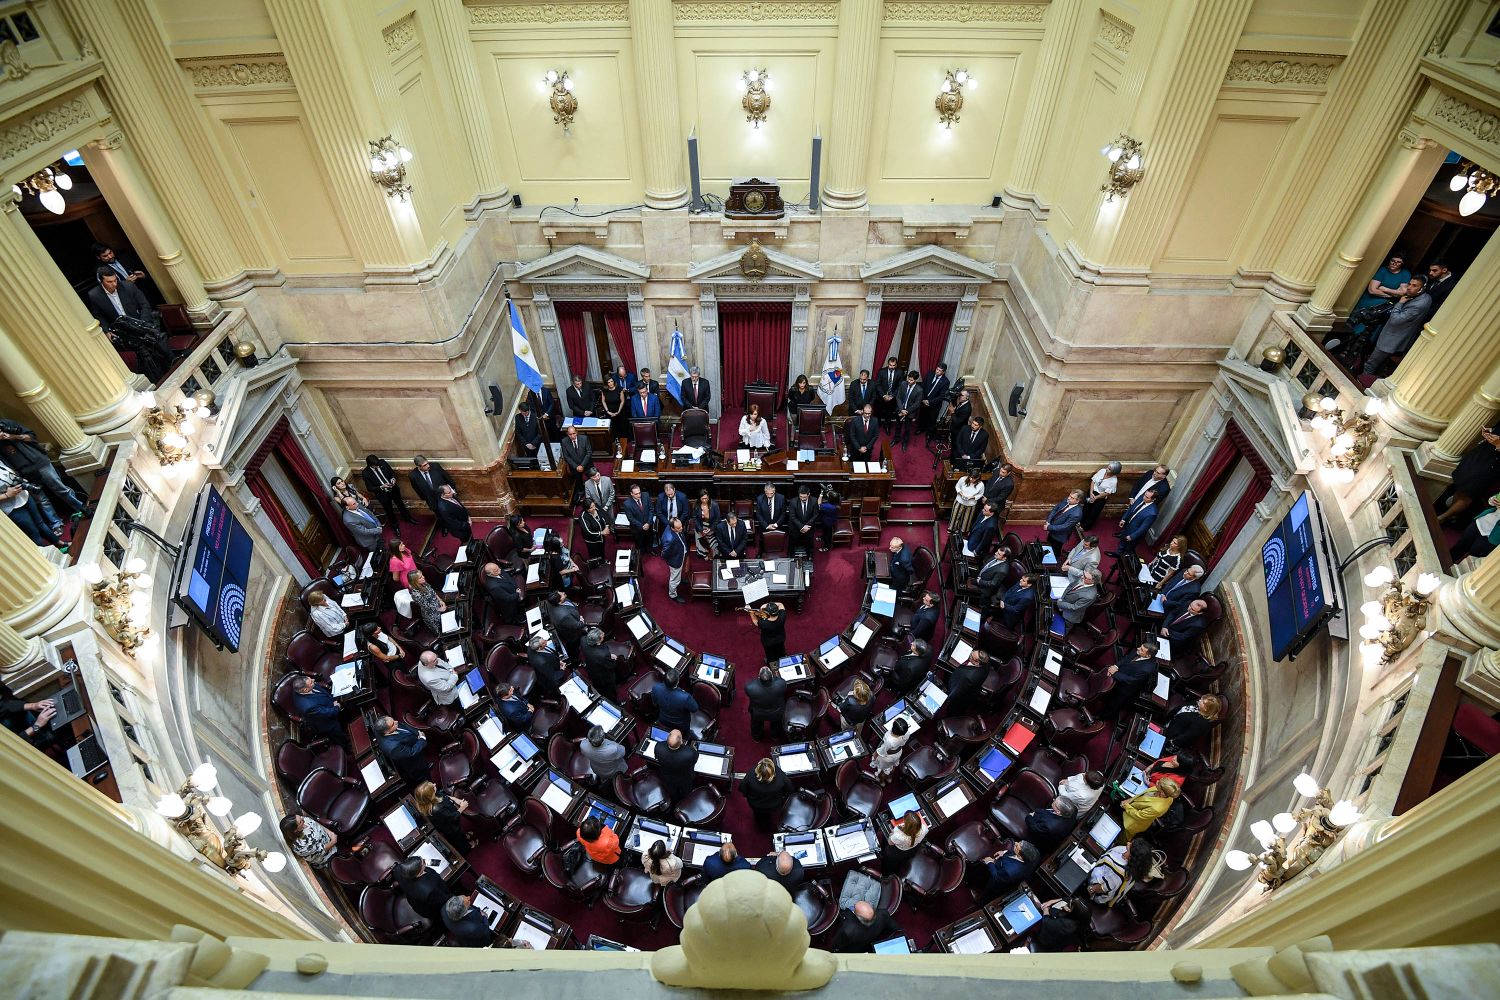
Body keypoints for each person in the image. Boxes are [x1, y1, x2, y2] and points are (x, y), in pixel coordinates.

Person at [87, 270, 172, 380]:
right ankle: (152, 377)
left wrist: (143, 323)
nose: (114, 284)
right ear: (101, 281)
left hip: (140, 322)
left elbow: (144, 305)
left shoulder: (128, 286)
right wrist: (107, 331)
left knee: (157, 339)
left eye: (115, 280)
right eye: (109, 282)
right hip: (122, 330)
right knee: (140, 354)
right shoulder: (94, 295)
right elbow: (99, 315)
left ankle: (172, 363)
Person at [0, 421, 84, 521]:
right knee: (42, 500)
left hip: (40, 463)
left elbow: (31, 437)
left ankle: (81, 508)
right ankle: (56, 523)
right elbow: (5, 464)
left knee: (62, 489)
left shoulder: (7, 424)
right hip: (24, 473)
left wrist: (14, 437)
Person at [1363, 274, 1430, 378]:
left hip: (1391, 339)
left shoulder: (1419, 304)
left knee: (1371, 364)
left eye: (1414, 286)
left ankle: (1362, 383)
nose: (1409, 287)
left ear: (1422, 289)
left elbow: (1395, 320)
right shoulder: (1426, 297)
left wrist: (1400, 303)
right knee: (1381, 364)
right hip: (1396, 336)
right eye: (1409, 284)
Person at [1436, 425, 1500, 527]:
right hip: (1483, 453)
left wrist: (1499, 445)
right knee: (1462, 484)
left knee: (1469, 492)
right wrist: (1491, 431)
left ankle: (1442, 518)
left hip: (1494, 464)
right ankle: (1452, 514)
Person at [1346, 252, 1411, 342]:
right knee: (1356, 325)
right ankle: (1348, 343)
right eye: (1393, 260)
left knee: (1370, 331)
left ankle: (1359, 348)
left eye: (1398, 262)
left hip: (1384, 306)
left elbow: (1402, 293)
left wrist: (1385, 289)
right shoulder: (1383, 270)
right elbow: (1372, 290)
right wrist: (1393, 294)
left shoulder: (1405, 274)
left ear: (1402, 264)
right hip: (1369, 301)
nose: (1394, 263)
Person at [1088, 836, 1155, 908]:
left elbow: (1096, 889)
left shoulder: (1118, 875)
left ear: (1131, 857)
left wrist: (1090, 888)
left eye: (1130, 846)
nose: (1128, 843)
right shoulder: (1135, 867)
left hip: (1097, 897)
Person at [1098, 641, 1160, 718]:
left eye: (1141, 650)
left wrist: (1114, 673)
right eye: (1140, 647)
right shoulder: (1140, 651)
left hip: (1126, 687)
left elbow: (1131, 680)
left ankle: (1103, 717)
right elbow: (1127, 658)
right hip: (1121, 673)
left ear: (1148, 655)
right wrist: (1116, 666)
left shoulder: (1146, 669)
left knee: (1113, 704)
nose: (1138, 648)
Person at [290, 674, 345, 747]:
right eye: (311, 682)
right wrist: (337, 707)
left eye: (311, 679)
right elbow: (327, 713)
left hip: (328, 703)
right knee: (338, 734)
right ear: (305, 690)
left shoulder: (301, 688)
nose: (313, 680)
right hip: (326, 722)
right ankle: (345, 745)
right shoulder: (309, 707)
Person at [361, 455, 416, 527]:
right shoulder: (366, 473)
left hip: (393, 489)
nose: (378, 466)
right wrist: (381, 487)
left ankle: (407, 518)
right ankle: (395, 525)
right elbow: (370, 488)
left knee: (400, 504)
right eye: (376, 466)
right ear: (370, 465)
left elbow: (392, 473)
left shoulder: (382, 463)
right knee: (389, 510)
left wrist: (393, 478)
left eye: (378, 465)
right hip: (382, 494)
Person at [413, 780, 469, 849]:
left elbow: (443, 796)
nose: (435, 784)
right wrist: (462, 807)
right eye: (433, 787)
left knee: (460, 834)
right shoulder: (437, 809)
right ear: (430, 795)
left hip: (448, 818)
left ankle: (464, 837)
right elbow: (453, 818)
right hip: (450, 827)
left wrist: (454, 799)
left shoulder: (429, 798)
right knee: (458, 838)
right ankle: (468, 846)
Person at [740, 757, 792, 830]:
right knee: (769, 815)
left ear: (758, 769)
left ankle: (758, 821)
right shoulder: (780, 775)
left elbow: (742, 787)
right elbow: (789, 788)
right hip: (774, 805)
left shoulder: (751, 774)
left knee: (758, 815)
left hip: (756, 805)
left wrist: (746, 795)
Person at [375, 715, 428, 785]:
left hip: (410, 742)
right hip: (414, 762)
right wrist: (422, 739)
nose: (396, 721)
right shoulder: (393, 748)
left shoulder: (381, 728)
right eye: (393, 723)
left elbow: (404, 727)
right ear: (387, 732)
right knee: (423, 775)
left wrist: (417, 733)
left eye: (393, 720)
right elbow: (411, 752)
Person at [1123, 777, 1181, 841]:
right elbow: (1141, 795)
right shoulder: (1165, 793)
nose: (1157, 781)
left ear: (1163, 793)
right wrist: (1130, 800)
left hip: (1131, 822)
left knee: (1122, 837)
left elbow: (1139, 815)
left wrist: (1126, 806)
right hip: (1131, 806)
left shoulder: (1157, 808)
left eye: (1159, 783)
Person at [828, 901, 899, 954]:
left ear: (858, 917)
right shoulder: (883, 914)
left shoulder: (847, 930)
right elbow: (896, 929)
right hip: (870, 942)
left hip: (853, 951)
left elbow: (835, 945)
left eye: (854, 908)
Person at [394, 856, 449, 923]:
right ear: (419, 873)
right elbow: (445, 898)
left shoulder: (398, 870)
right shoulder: (429, 890)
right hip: (427, 908)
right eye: (423, 862)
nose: (425, 861)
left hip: (413, 899)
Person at [1452, 492, 1500, 561]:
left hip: (1493, 536)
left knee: (1474, 558)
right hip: (1481, 521)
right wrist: (1493, 500)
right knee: (1460, 546)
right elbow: (1492, 500)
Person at [745, 665, 788, 741]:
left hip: (758, 713)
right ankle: (775, 736)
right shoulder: (781, 684)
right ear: (772, 677)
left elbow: (752, 686)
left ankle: (757, 737)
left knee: (756, 725)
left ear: (759, 678)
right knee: (776, 724)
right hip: (776, 712)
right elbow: (780, 680)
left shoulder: (750, 687)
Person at [656, 728, 699, 802]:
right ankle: (684, 803)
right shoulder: (690, 753)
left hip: (667, 777)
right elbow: (694, 760)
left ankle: (675, 801)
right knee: (686, 794)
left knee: (672, 793)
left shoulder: (658, 746)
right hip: (685, 779)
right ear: (681, 741)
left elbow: (656, 757)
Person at [882, 809, 928, 876]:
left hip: (896, 853)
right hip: (911, 850)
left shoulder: (898, 835)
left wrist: (891, 834)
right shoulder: (924, 829)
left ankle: (887, 875)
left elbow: (890, 842)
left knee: (889, 864)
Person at [580, 628, 625, 695]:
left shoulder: (583, 640)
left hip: (591, 669)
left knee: (598, 687)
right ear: (598, 642)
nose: (603, 633)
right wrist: (612, 658)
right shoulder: (603, 654)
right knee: (609, 690)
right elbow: (611, 665)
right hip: (603, 676)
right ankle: (614, 701)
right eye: (602, 636)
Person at [945, 649, 989, 716]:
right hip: (973, 690)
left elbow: (956, 692)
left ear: (977, 663)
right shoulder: (987, 663)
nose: (969, 656)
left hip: (961, 699)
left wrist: (949, 698)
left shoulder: (967, 677)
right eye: (971, 653)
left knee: (953, 711)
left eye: (971, 657)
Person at [545, 590, 586, 662]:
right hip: (572, 635)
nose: (563, 592)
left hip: (570, 618)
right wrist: (581, 622)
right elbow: (576, 626)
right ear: (559, 600)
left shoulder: (552, 601)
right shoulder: (564, 616)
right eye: (562, 594)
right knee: (574, 648)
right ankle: (576, 661)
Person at [1081, 461, 1121, 529]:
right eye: (1108, 467)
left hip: (1101, 498)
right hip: (1092, 492)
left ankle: (1085, 527)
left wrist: (1096, 497)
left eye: (1109, 469)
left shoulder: (1114, 481)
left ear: (1114, 471)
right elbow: (1093, 481)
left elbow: (1108, 493)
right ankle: (1080, 522)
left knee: (1093, 513)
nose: (1107, 469)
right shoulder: (1102, 471)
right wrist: (1091, 493)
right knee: (1086, 508)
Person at [526, 633, 565, 701]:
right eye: (544, 642)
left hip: (547, 667)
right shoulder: (542, 662)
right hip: (549, 678)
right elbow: (553, 676)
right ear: (539, 648)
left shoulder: (530, 647)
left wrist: (557, 661)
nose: (546, 641)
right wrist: (562, 670)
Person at [871, 716, 911, 784]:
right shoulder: (907, 733)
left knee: (883, 770)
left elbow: (882, 751)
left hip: (887, 757)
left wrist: (875, 754)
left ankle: (881, 781)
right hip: (897, 752)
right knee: (892, 766)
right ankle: (889, 777)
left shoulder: (890, 740)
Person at [481, 562, 522, 626]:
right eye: (496, 570)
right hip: (509, 606)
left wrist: (516, 587)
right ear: (490, 573)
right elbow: (507, 599)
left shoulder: (497, 570)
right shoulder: (494, 587)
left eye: (498, 567)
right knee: (513, 620)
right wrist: (517, 593)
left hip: (512, 590)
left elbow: (508, 578)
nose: (500, 569)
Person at [407, 571, 446, 635]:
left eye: (422, 575)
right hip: (432, 615)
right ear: (415, 581)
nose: (423, 577)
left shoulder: (423, 583)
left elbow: (433, 592)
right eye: (420, 577)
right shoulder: (416, 594)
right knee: (442, 630)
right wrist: (440, 609)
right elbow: (427, 606)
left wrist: (440, 600)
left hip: (438, 605)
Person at [918, 362, 950, 436]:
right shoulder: (930, 374)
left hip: (934, 404)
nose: (937, 371)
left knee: (932, 419)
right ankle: (920, 429)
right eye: (937, 369)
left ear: (943, 372)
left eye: (939, 370)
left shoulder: (946, 382)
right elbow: (922, 387)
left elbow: (941, 396)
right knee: (922, 416)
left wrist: (929, 402)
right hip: (924, 400)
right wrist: (923, 399)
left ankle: (929, 433)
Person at [892, 370, 922, 447]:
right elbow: (898, 397)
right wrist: (901, 409)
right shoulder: (903, 384)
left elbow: (917, 404)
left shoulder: (919, 390)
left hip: (910, 413)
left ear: (916, 380)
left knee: (907, 429)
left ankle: (905, 442)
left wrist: (906, 411)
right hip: (900, 410)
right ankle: (896, 439)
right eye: (908, 379)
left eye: (911, 380)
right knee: (898, 426)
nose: (909, 381)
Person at [950, 470, 984, 536]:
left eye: (973, 478)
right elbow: (957, 486)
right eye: (970, 477)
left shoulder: (981, 484)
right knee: (955, 516)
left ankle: (962, 532)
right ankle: (952, 529)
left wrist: (972, 497)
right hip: (959, 501)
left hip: (970, 504)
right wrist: (960, 493)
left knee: (966, 519)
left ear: (977, 478)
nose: (971, 479)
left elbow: (980, 494)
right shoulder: (963, 479)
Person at [662, 515, 687, 604]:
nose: (681, 528)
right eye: (678, 528)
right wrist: (672, 560)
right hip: (675, 561)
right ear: (672, 528)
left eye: (681, 526)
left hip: (680, 555)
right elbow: (664, 554)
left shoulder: (672, 526)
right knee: (674, 579)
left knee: (678, 574)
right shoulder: (670, 539)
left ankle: (679, 579)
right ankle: (673, 595)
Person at [787, 485, 819, 555]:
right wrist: (802, 527)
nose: (802, 498)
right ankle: (791, 554)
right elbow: (792, 517)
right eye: (800, 496)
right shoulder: (793, 502)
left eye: (804, 497)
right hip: (796, 527)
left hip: (809, 527)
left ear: (808, 494)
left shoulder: (814, 501)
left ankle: (809, 554)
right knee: (792, 542)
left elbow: (815, 515)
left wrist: (807, 526)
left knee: (809, 543)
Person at [690, 491, 722, 557]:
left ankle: (714, 554)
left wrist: (711, 529)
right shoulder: (696, 505)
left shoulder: (714, 505)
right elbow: (695, 518)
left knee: (713, 543)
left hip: (712, 526)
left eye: (706, 498)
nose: (704, 500)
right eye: (702, 499)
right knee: (702, 541)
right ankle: (703, 554)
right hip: (700, 526)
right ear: (699, 499)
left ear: (708, 498)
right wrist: (701, 529)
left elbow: (718, 518)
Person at [623, 484, 654, 551]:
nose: (639, 495)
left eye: (639, 493)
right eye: (636, 494)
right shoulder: (627, 504)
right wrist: (642, 526)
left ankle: (650, 550)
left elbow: (651, 509)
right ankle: (640, 554)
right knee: (639, 543)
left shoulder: (646, 495)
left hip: (648, 524)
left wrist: (648, 523)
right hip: (637, 528)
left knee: (650, 539)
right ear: (631, 493)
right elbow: (630, 518)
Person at [874, 356, 902, 429]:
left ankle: (887, 426)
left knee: (889, 413)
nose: (891, 367)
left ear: (896, 365)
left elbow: (900, 386)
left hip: (892, 398)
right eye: (890, 365)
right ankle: (877, 425)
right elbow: (878, 384)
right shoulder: (882, 371)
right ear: (888, 364)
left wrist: (892, 396)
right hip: (881, 396)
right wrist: (883, 395)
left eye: (893, 365)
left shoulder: (899, 372)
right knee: (878, 412)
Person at [579, 497, 609, 564]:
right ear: (586, 509)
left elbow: (605, 515)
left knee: (601, 550)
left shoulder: (596, 506)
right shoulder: (583, 517)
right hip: (592, 540)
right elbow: (588, 532)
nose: (594, 508)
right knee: (594, 553)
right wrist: (601, 532)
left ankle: (602, 561)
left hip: (601, 536)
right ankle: (596, 566)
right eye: (591, 508)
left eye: (593, 505)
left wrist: (606, 526)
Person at [601, 374, 628, 441]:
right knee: (612, 430)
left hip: (619, 412)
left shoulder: (619, 389)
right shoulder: (604, 390)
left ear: (614, 381)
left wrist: (618, 411)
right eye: (609, 382)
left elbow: (622, 401)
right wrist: (608, 411)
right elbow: (603, 401)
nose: (610, 383)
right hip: (609, 413)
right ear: (606, 383)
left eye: (611, 381)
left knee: (621, 429)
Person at [947, 387, 973, 453]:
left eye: (962, 395)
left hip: (958, 431)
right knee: (953, 445)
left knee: (956, 446)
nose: (959, 396)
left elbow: (957, 422)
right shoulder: (962, 403)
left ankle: (953, 461)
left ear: (967, 398)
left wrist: (952, 412)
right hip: (954, 429)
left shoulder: (967, 409)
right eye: (960, 394)